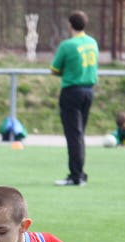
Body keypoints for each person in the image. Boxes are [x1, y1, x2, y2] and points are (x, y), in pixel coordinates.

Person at [50, 10, 98, 187]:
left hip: (72, 91)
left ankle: (76, 175)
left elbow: (54, 69)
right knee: (79, 135)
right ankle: (79, 173)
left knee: (73, 135)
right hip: (88, 91)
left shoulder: (67, 45)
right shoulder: (92, 42)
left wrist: (68, 72)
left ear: (70, 25)